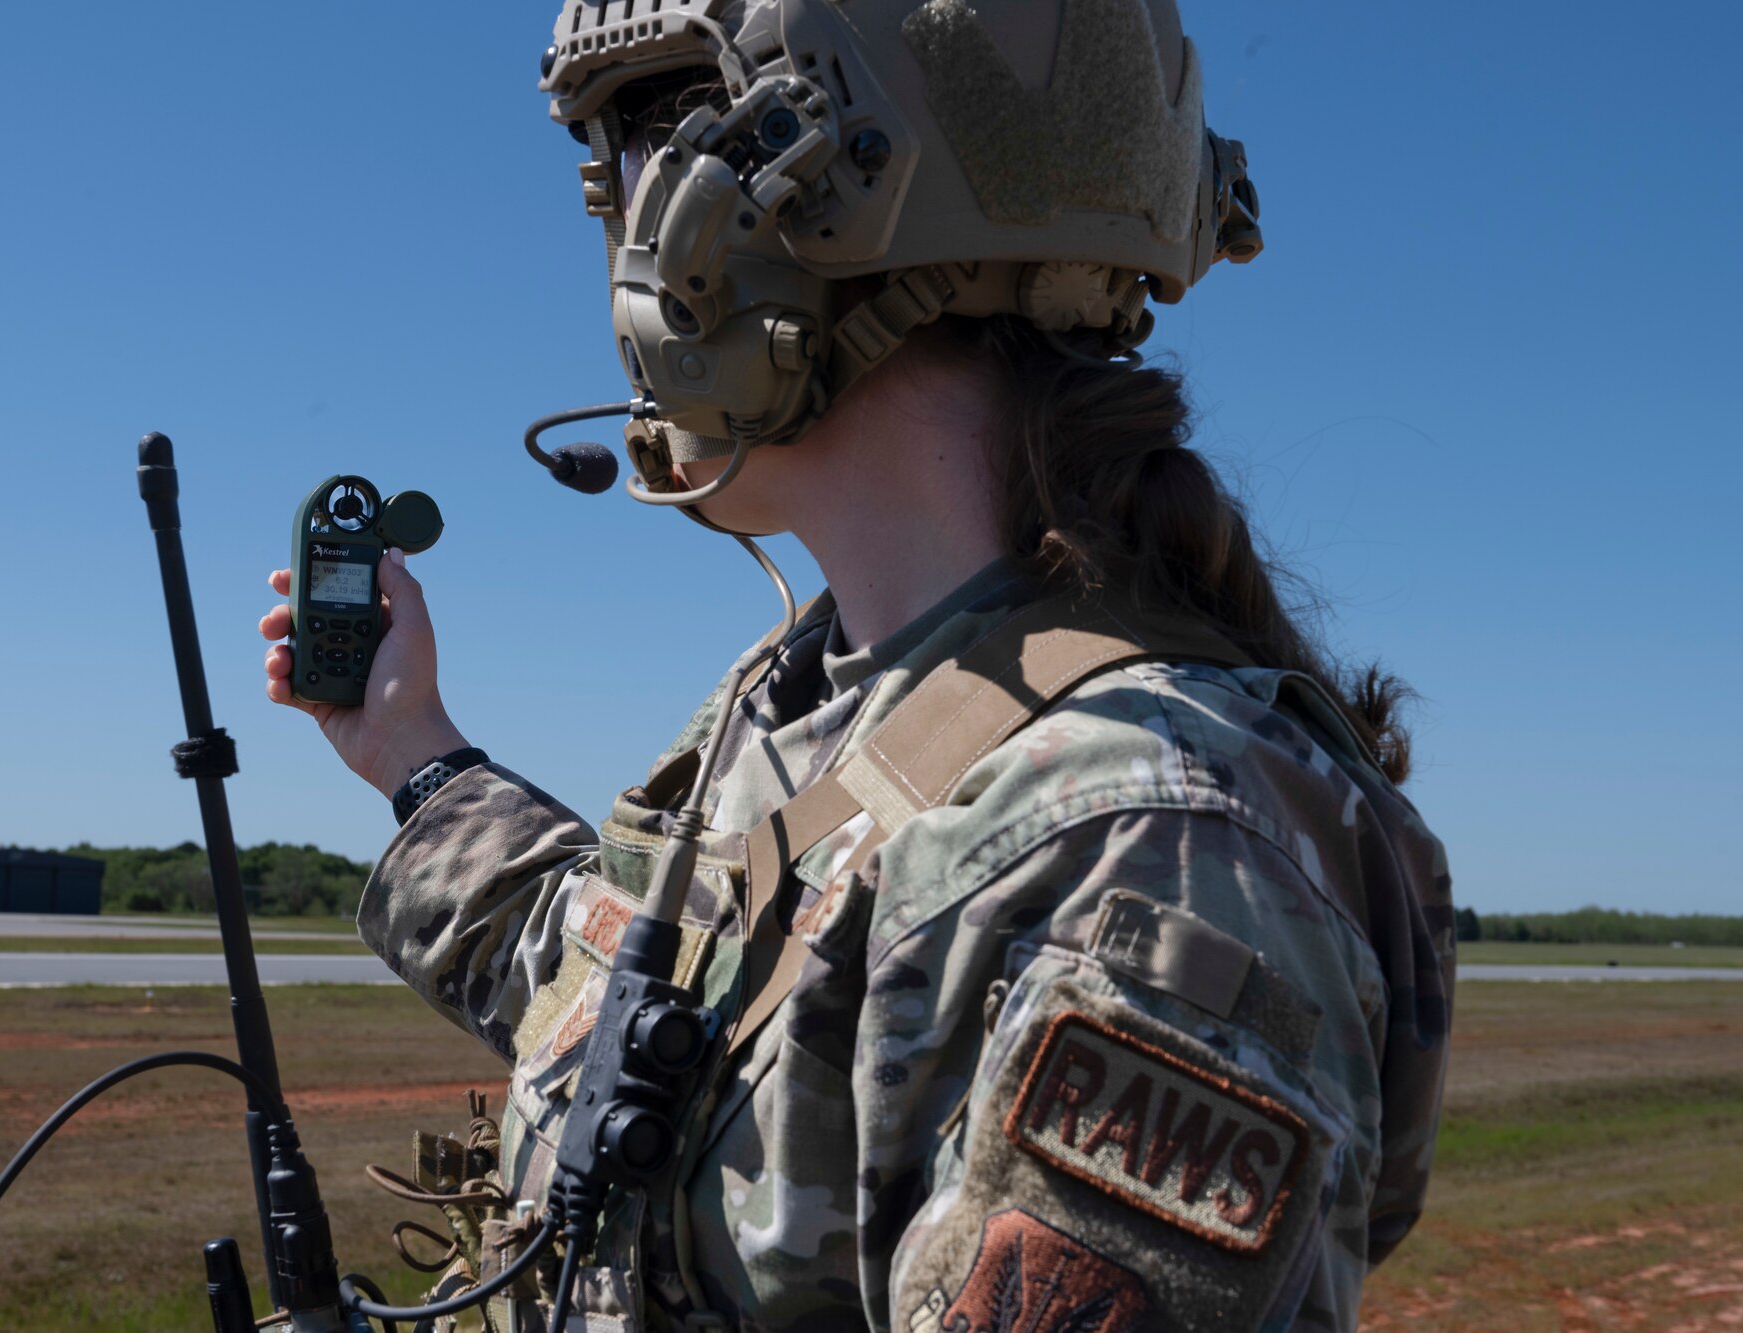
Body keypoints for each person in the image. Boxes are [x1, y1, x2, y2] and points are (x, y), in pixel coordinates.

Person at [260, 3, 1454, 1329]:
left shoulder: (1152, 849)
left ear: (816, 190)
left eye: (653, 139)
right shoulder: (808, 698)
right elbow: (627, 997)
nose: (621, 224)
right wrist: (415, 754)